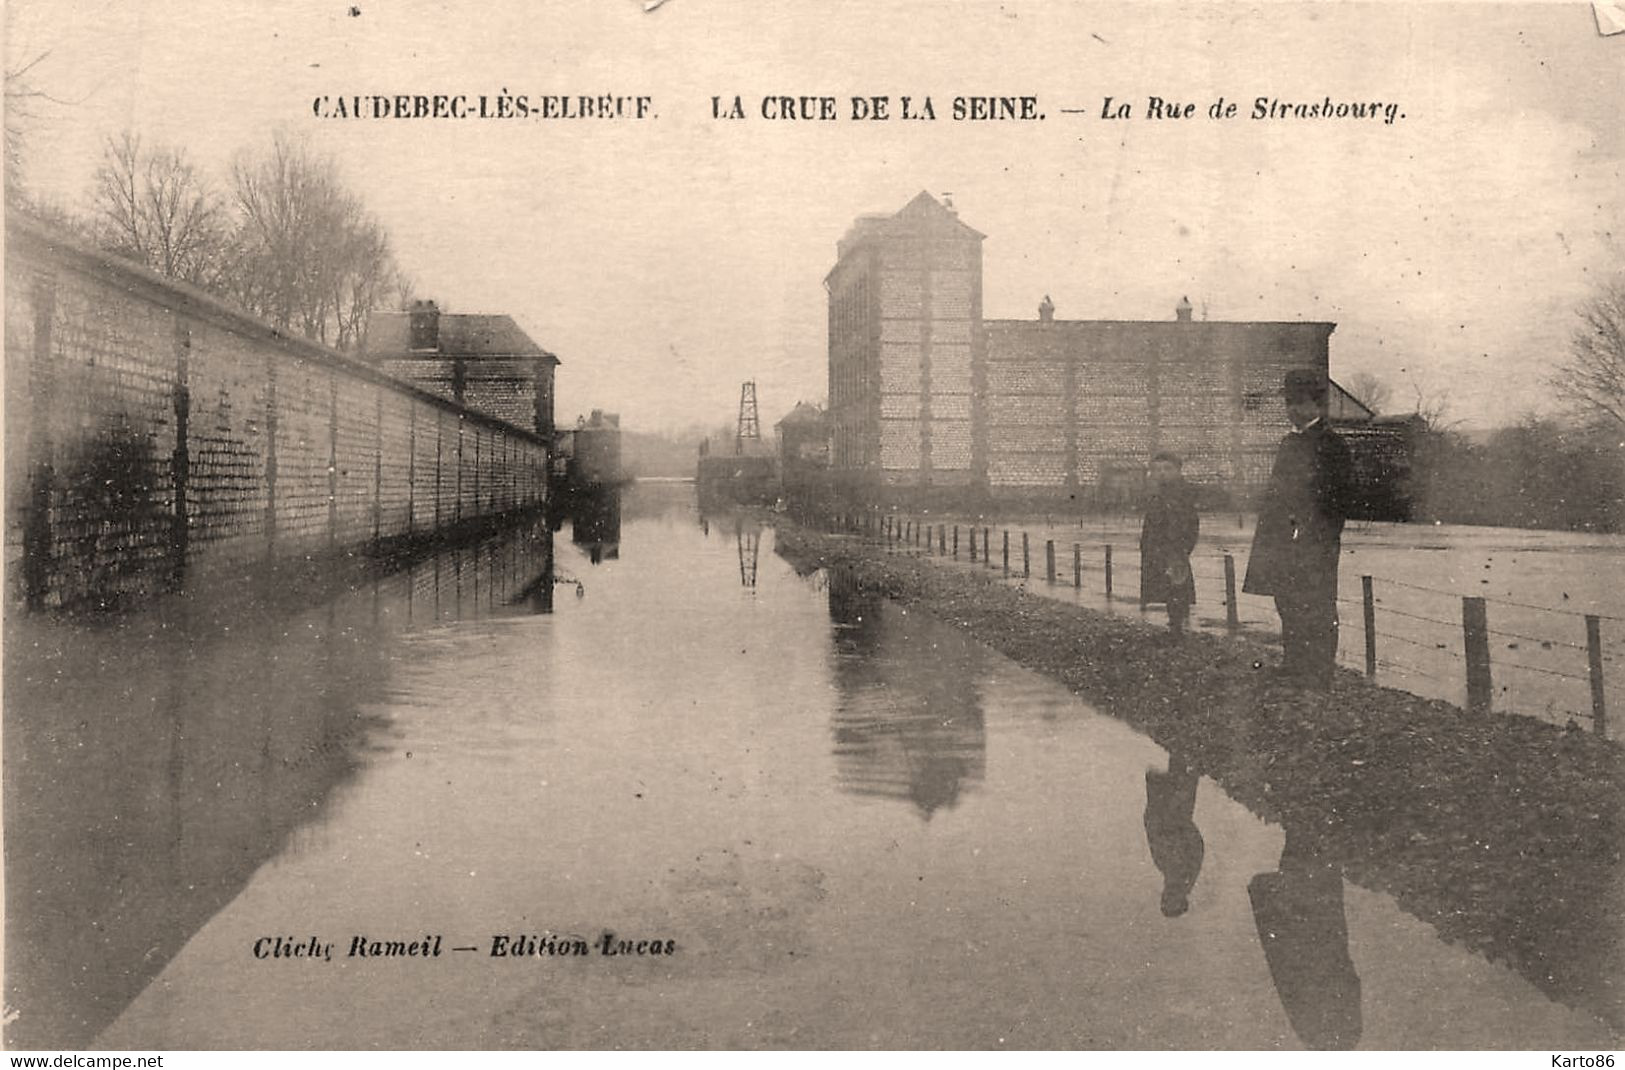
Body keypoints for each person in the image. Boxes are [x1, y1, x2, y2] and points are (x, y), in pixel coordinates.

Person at [1243, 370, 1354, 691]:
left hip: (1314, 543)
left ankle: (1320, 673)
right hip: (1281, 541)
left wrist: (1312, 531)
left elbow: (1338, 498)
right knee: (1288, 602)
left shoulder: (1332, 446)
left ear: (1317, 406)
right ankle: (1294, 666)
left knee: (1317, 605)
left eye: (1301, 403)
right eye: (1290, 403)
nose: (1293, 409)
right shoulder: (1289, 443)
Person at [1140, 451, 1199, 636]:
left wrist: (1181, 550)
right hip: (1158, 548)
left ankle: (1176, 629)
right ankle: (1174, 626)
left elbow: (1190, 524)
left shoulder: (1182, 493)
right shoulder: (1157, 492)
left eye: (1167, 468)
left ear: (1178, 470)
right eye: (1157, 469)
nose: (1162, 473)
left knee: (1176, 587)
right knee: (1167, 588)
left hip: (1174, 548)